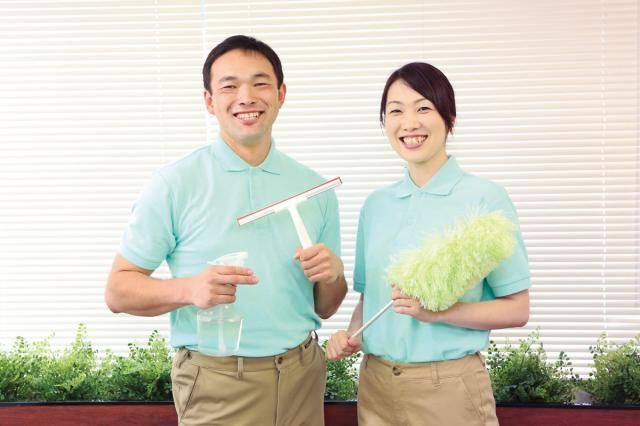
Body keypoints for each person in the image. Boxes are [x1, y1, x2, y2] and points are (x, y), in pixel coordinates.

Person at [105, 35, 347, 426]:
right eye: (229, 86)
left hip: (302, 377)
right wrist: (188, 289)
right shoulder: (173, 184)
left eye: (260, 83)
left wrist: (333, 275)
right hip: (217, 382)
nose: (246, 97)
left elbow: (325, 306)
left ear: (281, 94)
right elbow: (118, 291)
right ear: (209, 101)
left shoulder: (314, 189)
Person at [326, 62, 530, 426]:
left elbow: (516, 309)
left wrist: (436, 313)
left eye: (423, 108)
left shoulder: (485, 199)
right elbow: (371, 298)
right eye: (395, 111)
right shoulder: (376, 205)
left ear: (449, 117)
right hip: (376, 385)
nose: (409, 123)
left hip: (448, 389)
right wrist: (352, 335)